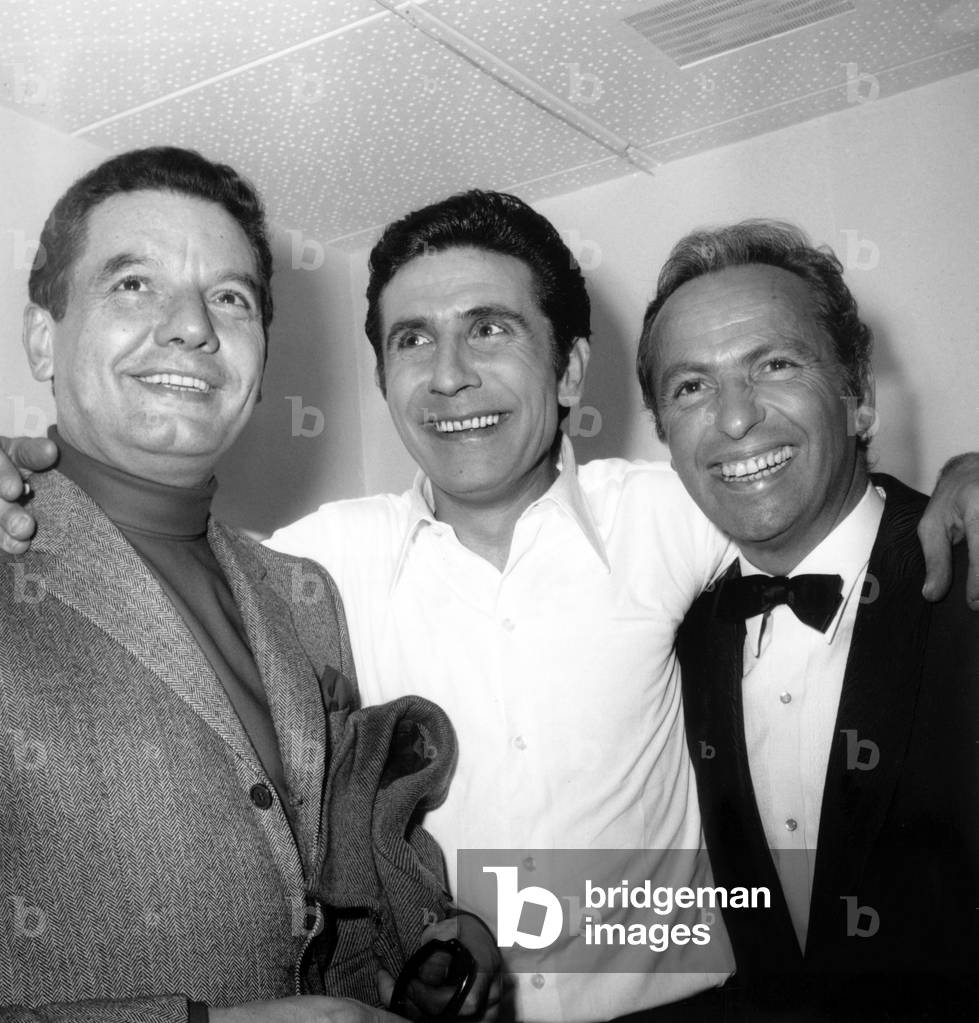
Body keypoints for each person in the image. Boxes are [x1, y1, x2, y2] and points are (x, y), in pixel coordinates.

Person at [2, 191, 977, 1022]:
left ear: (566, 369)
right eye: (412, 340)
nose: (448, 373)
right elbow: (149, 555)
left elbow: (815, 496)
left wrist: (965, 479)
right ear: (384, 378)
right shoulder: (315, 565)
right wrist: (25, 488)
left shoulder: (672, 511)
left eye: (489, 329)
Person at [0, 147, 499, 1023]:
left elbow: (328, 894)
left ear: (260, 359)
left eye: (229, 298)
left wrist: (429, 943)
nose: (192, 326)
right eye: (133, 284)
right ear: (44, 336)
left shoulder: (303, 595)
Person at [635, 219, 978, 1020]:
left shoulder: (968, 581)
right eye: (691, 387)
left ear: (859, 397)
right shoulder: (673, 638)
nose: (733, 419)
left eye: (775, 364)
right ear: (666, 439)